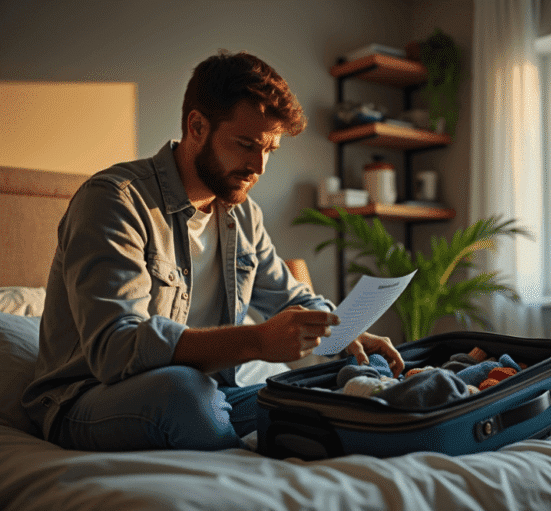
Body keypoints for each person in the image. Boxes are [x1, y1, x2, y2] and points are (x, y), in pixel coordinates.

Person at [22, 50, 404, 452]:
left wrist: (346, 332)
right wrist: (255, 341)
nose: (258, 165)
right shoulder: (115, 201)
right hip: (86, 399)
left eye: (269, 150)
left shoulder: (242, 214)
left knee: (313, 388)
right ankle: (254, 480)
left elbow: (288, 296)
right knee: (183, 389)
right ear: (197, 126)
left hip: (209, 396)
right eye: (245, 144)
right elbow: (115, 350)